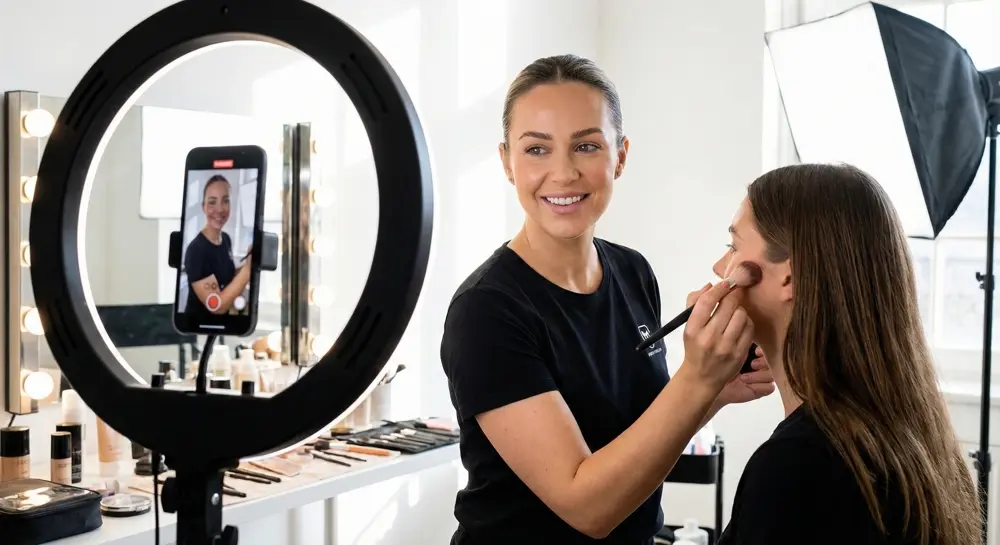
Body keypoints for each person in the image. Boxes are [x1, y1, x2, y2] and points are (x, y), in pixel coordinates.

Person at [439, 54, 776, 545]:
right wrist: (697, 378)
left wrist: (714, 391)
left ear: (620, 155)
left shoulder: (632, 271)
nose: (563, 173)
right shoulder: (487, 311)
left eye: (587, 146)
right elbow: (587, 506)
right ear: (507, 162)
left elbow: (634, 439)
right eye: (536, 150)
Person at [713, 163, 979, 545]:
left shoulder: (793, 467)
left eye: (733, 247)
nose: (719, 267)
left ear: (790, 276)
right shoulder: (920, 442)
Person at [183, 174, 250, 318]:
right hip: (199, 327)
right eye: (212, 202)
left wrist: (249, 263)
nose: (220, 209)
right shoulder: (196, 251)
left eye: (225, 201)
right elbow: (216, 305)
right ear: (204, 207)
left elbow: (225, 276)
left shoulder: (225, 239)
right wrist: (248, 271)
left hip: (220, 325)